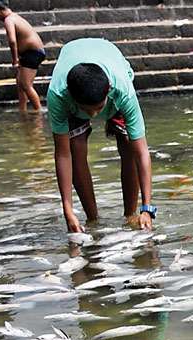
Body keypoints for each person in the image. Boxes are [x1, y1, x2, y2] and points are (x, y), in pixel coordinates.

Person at [47, 38, 156, 232]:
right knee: (76, 148)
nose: (93, 116)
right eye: (87, 111)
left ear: (108, 93)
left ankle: (130, 214)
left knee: (128, 144)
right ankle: (92, 218)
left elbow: (141, 152)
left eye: (98, 109)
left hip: (111, 61)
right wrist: (68, 209)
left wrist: (147, 208)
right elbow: (63, 155)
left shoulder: (123, 90)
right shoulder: (58, 95)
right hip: (75, 82)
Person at [0, 1, 45, 112]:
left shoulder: (9, 20)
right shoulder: (15, 17)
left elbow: (12, 41)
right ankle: (22, 110)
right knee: (20, 84)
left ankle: (38, 111)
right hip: (30, 53)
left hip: (33, 53)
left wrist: (15, 59)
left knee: (26, 85)